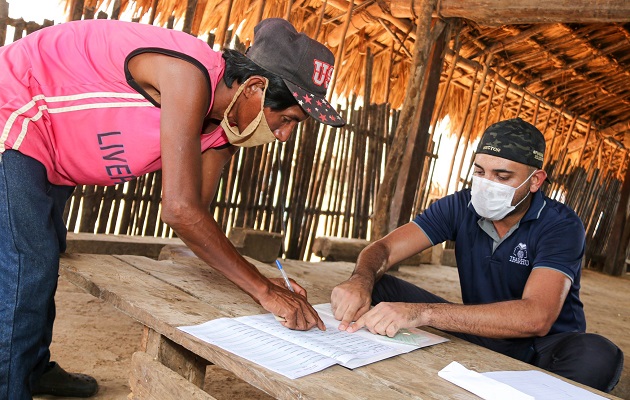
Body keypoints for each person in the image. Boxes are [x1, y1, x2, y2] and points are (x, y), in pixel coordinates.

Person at [0, 17, 344, 399]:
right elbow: (179, 210)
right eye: (287, 119)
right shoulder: (188, 74)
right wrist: (263, 290)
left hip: (52, 145)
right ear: (256, 88)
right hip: (16, 103)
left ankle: (31, 367)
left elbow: (197, 216)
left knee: (41, 257)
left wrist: (265, 285)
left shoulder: (223, 130)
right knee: (26, 262)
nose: (284, 135)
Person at [331, 118, 623, 393]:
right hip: (482, 334)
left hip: (543, 349)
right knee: (378, 285)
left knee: (598, 355)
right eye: (480, 172)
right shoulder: (460, 205)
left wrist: (422, 312)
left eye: (502, 176)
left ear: (535, 181)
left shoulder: (560, 225)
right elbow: (385, 249)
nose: (487, 184)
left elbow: (537, 317)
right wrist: (360, 279)